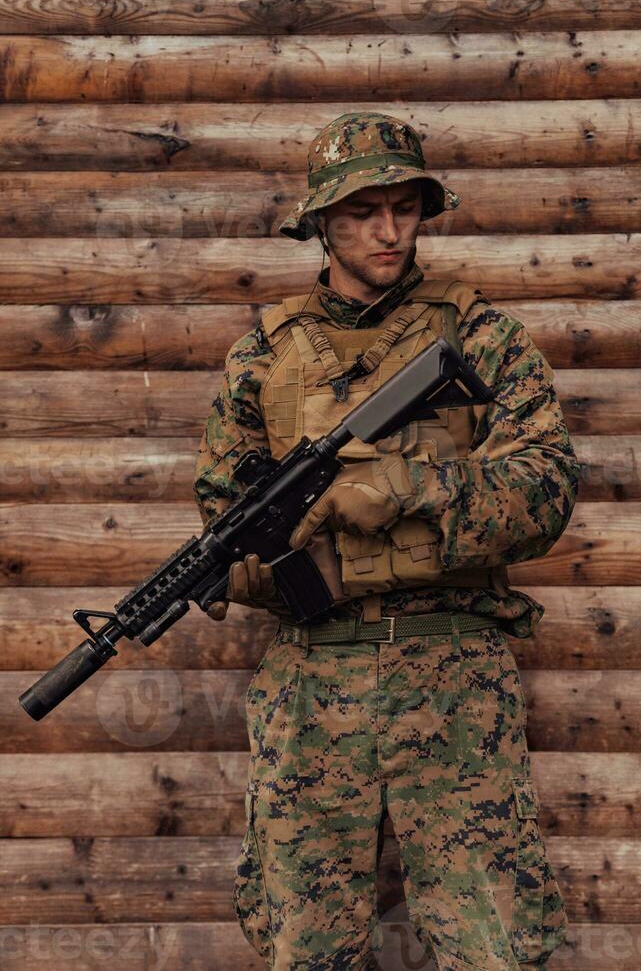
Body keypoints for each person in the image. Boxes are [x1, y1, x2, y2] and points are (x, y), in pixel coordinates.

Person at [193, 112, 581, 971]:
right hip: (312, 690)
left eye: (405, 208)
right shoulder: (261, 356)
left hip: (455, 685)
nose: (388, 230)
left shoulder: (480, 339)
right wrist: (253, 573)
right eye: (364, 211)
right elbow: (223, 508)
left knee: (493, 947)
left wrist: (412, 487)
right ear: (321, 221)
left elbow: (548, 487)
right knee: (305, 947)